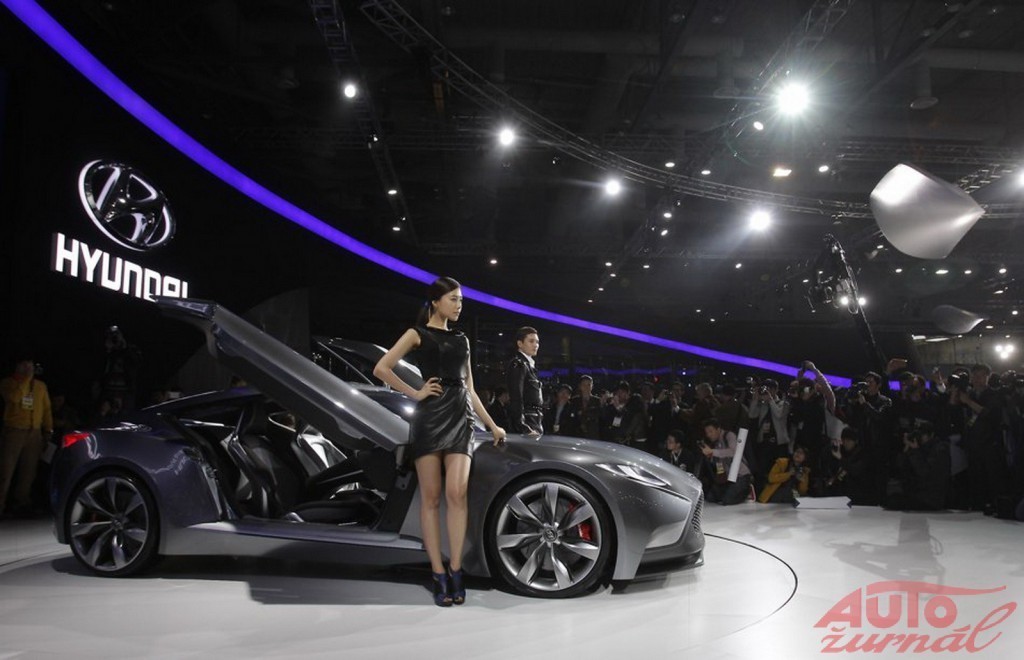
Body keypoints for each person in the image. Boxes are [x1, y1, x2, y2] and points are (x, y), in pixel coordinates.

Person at [373, 277, 506, 606]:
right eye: (453, 299)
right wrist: (415, 392)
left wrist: (492, 425)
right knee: (431, 499)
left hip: (461, 419)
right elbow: (382, 368)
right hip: (430, 418)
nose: (459, 305)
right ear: (435, 302)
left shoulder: (462, 339)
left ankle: (456, 568)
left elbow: (470, 388)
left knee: (456, 494)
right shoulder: (417, 333)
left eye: (461, 300)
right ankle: (437, 573)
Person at [0, 358, 53, 517]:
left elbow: (46, 409)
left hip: (34, 432)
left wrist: (48, 430)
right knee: (6, 470)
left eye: (30, 365)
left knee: (29, 471)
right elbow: (15, 398)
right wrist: (26, 379)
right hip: (14, 431)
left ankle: (21, 503)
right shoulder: (8, 383)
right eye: (25, 365)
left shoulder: (40, 386)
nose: (29, 368)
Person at [506, 326, 543, 435]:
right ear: (520, 343)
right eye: (531, 341)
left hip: (534, 419)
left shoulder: (528, 365)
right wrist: (523, 427)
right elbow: (516, 397)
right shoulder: (518, 364)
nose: (535, 345)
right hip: (528, 421)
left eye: (537, 342)